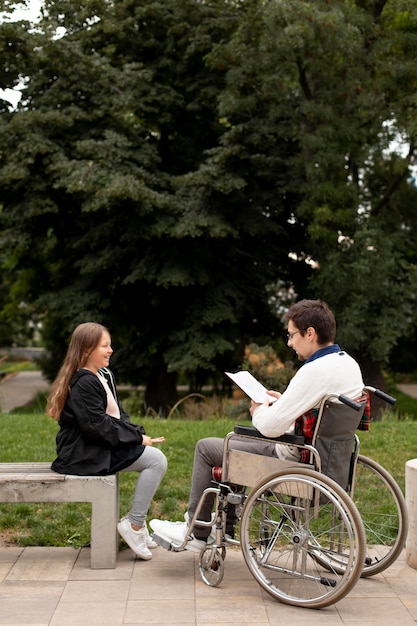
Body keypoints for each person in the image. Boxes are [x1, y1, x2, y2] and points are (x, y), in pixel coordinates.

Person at [150, 299, 365, 552]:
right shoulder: (348, 364)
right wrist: (284, 402)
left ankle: (197, 532)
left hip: (295, 461)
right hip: (331, 461)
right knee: (237, 446)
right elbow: (319, 408)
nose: (289, 342)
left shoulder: (313, 371)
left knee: (208, 448)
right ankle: (222, 525)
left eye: (292, 335)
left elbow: (269, 428)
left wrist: (258, 408)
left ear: (310, 333)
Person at [46, 322, 167, 561]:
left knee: (155, 459)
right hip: (83, 452)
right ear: (86, 351)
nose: (110, 350)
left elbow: (118, 415)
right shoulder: (83, 382)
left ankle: (136, 525)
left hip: (101, 444)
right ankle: (134, 526)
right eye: (105, 345)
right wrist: (136, 438)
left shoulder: (103, 375)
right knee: (156, 461)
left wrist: (136, 435)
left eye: (110, 344)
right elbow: (96, 426)